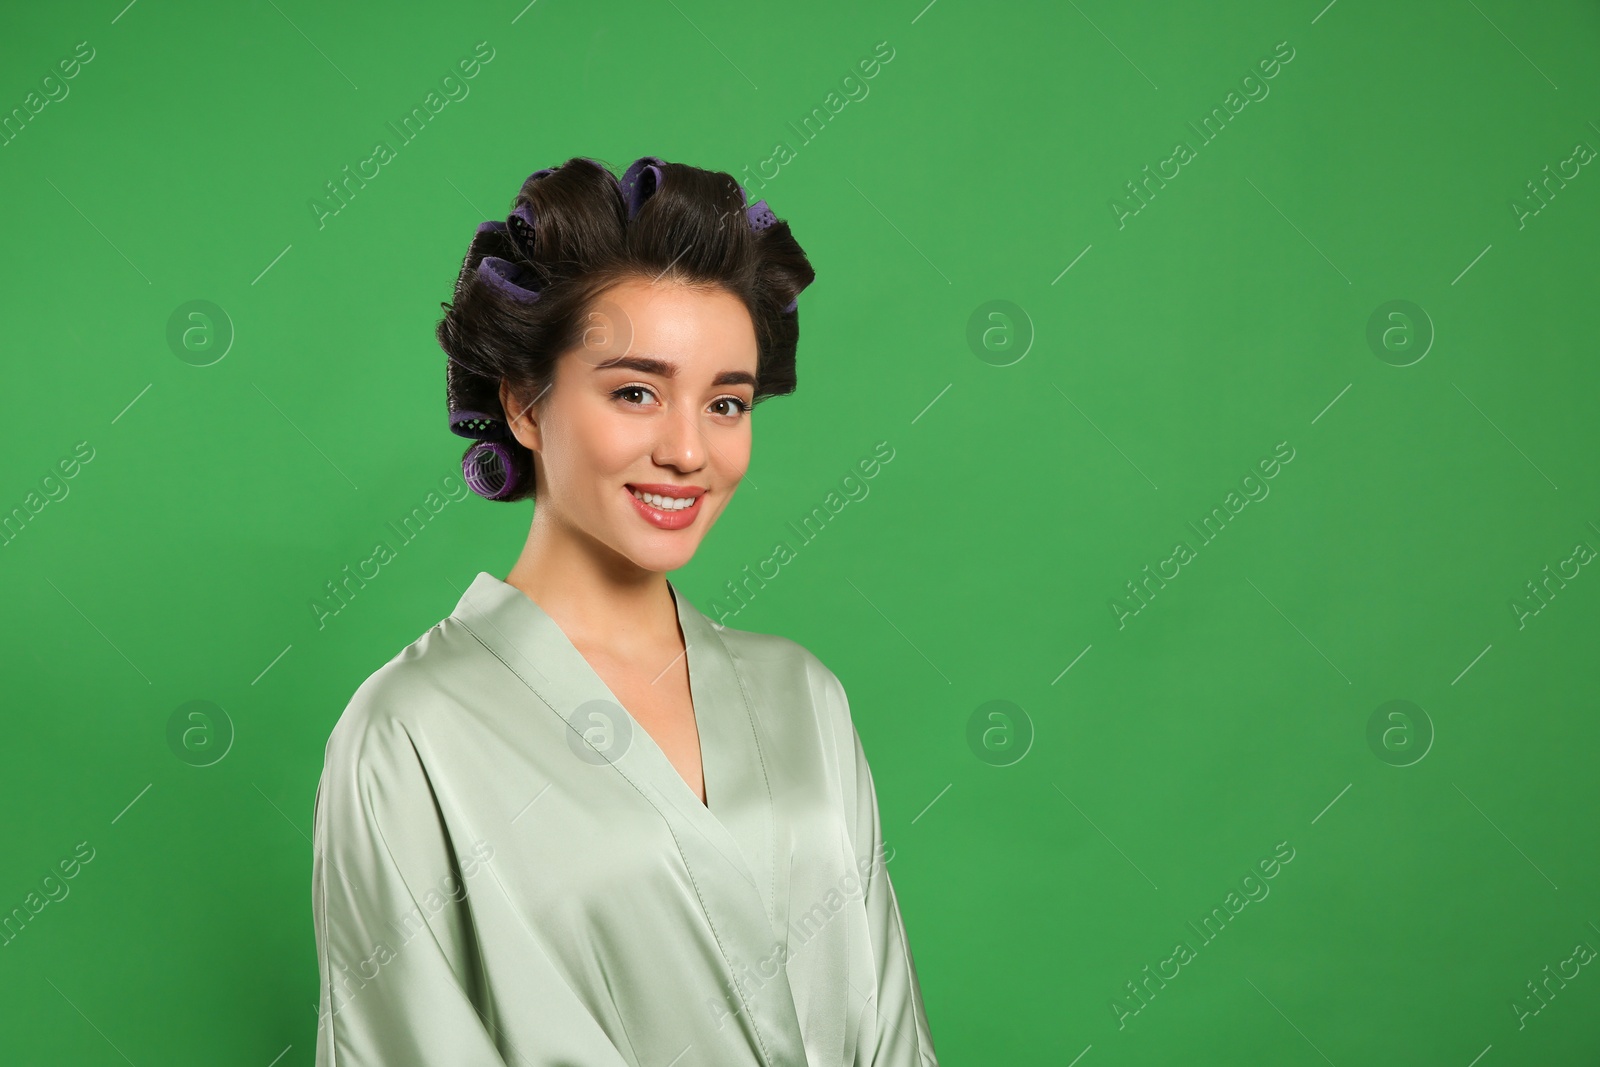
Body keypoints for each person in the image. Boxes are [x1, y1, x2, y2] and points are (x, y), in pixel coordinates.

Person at [310, 155, 939, 1066]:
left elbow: (891, 1030)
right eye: (636, 391)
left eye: (727, 401)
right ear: (524, 402)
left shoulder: (803, 694)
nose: (687, 449)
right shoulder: (409, 735)